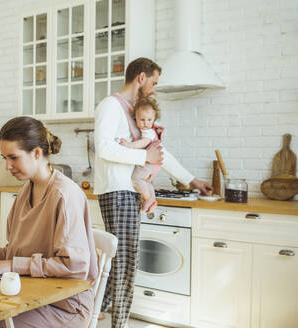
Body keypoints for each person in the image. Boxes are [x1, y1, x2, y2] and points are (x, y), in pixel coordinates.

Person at [94, 57, 212, 328]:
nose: (155, 89)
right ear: (141, 78)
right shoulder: (111, 106)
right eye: (154, 82)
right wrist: (143, 154)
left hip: (129, 190)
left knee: (120, 256)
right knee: (127, 258)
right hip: (117, 189)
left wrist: (191, 180)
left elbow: (157, 152)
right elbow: (104, 149)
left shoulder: (134, 112)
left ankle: (98, 307)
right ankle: (119, 323)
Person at [0, 116, 98, 328]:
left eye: (13, 158)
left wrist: (11, 265)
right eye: (4, 158)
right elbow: (15, 254)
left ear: (36, 153)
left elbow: (73, 266)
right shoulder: (24, 193)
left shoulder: (65, 196)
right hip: (28, 295)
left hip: (64, 306)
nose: (8, 166)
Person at [118, 95, 165, 199]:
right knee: (145, 181)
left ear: (154, 119)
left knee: (136, 179)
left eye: (149, 120)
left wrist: (129, 145)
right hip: (154, 163)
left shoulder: (149, 132)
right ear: (136, 119)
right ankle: (152, 197)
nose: (145, 123)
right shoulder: (146, 130)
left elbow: (143, 142)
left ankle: (147, 198)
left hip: (151, 162)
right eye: (142, 120)